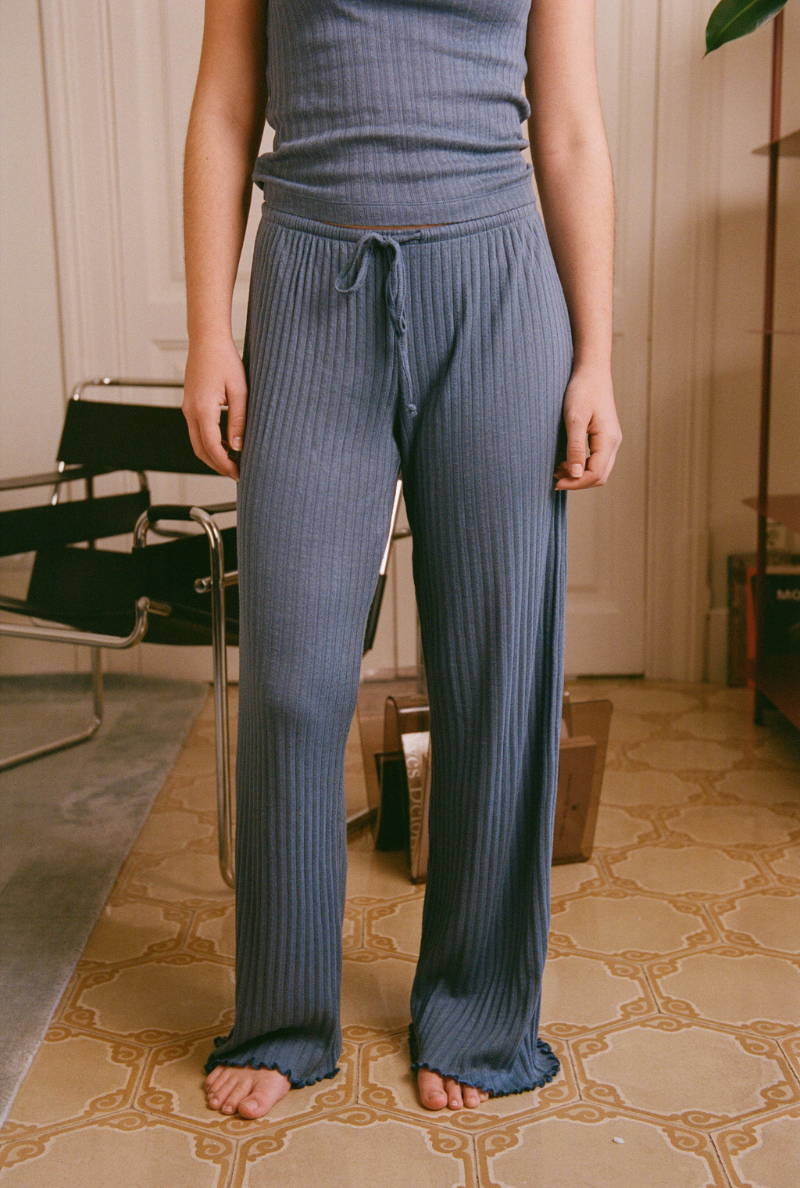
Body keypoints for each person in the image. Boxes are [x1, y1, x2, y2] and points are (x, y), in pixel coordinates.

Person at [182, 0, 621, 1121]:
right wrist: (208, 331)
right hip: (309, 282)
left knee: (495, 675)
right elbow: (226, 104)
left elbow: (570, 128)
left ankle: (477, 1013)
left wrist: (595, 358)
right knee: (293, 680)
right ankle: (282, 1017)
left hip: (499, 286)